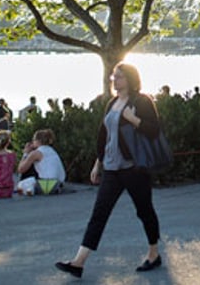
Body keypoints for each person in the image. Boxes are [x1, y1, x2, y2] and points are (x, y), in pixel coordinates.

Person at [56, 62, 163, 278]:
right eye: (114, 76)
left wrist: (134, 120)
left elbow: (154, 131)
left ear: (130, 79)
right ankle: (78, 262)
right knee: (99, 215)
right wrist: (99, 162)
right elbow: (105, 136)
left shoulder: (142, 102)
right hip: (112, 169)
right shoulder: (112, 103)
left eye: (119, 76)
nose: (114, 79)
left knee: (145, 211)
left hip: (134, 169)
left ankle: (154, 254)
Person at [16, 128, 66, 195]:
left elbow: (21, 169)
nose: (32, 142)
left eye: (33, 140)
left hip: (47, 185)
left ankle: (29, 189)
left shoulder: (36, 153)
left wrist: (25, 153)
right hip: (59, 184)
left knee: (22, 184)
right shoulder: (52, 151)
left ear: (38, 141)